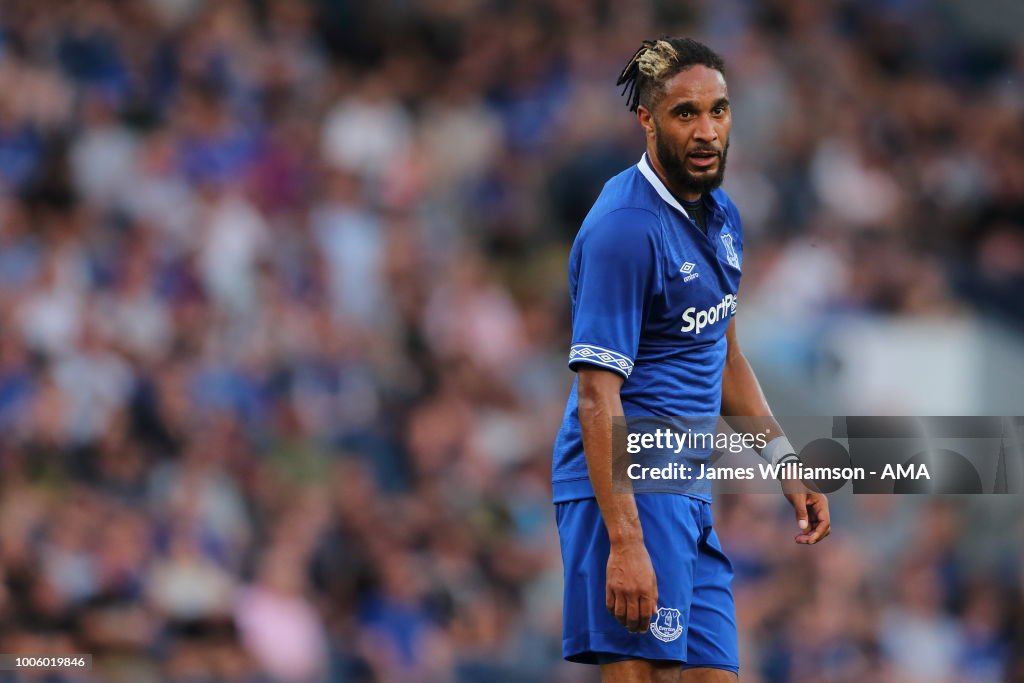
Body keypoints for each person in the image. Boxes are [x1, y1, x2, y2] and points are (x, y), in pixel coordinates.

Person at [551, 37, 831, 683]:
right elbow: (597, 394)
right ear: (647, 119)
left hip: (689, 487)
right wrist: (624, 540)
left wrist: (784, 462)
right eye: (685, 113)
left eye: (719, 110)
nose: (707, 131)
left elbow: (723, 355)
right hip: (630, 489)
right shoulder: (624, 228)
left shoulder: (722, 215)